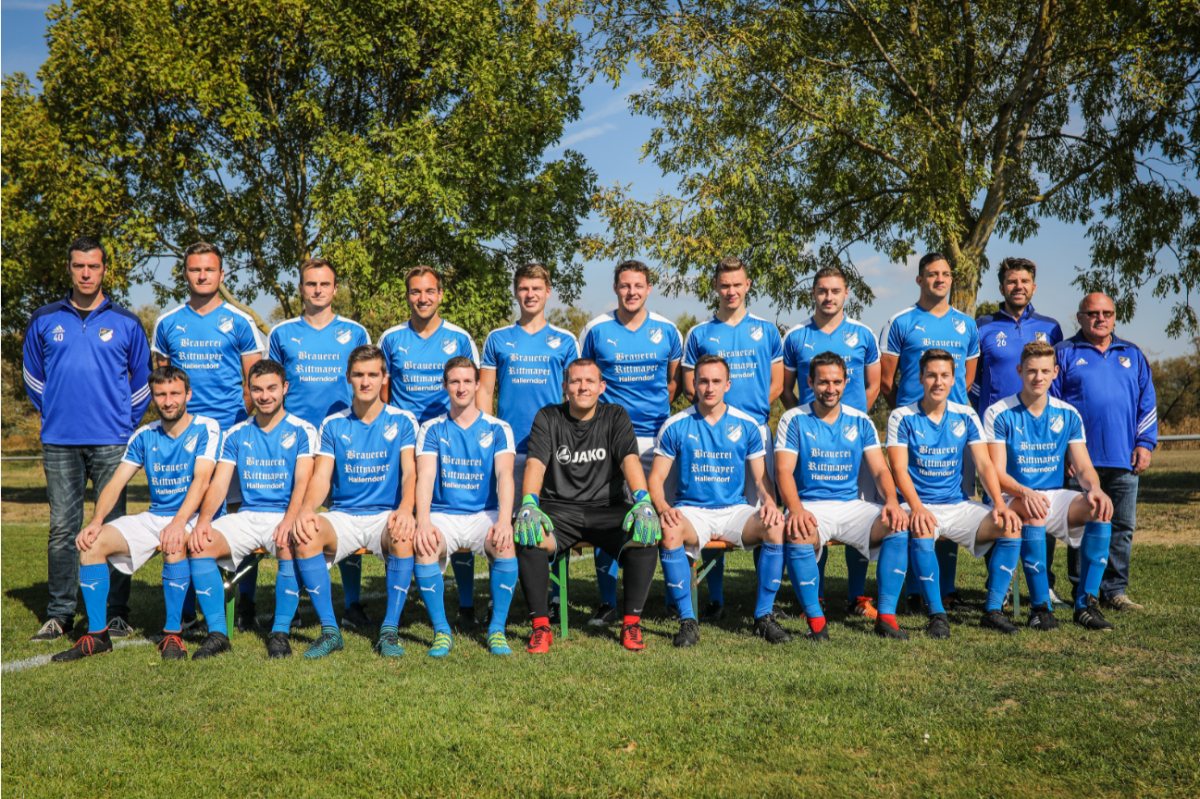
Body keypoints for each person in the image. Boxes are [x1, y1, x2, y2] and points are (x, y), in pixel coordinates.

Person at [24, 236, 151, 642]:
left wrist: (124, 423)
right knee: (63, 527)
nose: (85, 273)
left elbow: (143, 381)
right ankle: (60, 613)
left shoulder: (126, 322)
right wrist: (54, 412)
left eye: (93, 266)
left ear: (104, 270)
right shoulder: (45, 319)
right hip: (59, 441)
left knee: (114, 526)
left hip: (112, 442)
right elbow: (33, 376)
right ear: (69, 268)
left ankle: (116, 613)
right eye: (78, 265)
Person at [51, 366, 220, 662]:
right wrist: (95, 522)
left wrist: (178, 523)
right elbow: (116, 482)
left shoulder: (207, 427)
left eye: (175, 393)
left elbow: (202, 480)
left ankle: (173, 634)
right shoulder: (144, 435)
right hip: (156, 516)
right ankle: (98, 636)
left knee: (173, 542)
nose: (168, 401)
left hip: (192, 516)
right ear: (153, 397)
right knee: (92, 544)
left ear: (188, 395)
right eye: (161, 394)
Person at [512, 358, 663, 653]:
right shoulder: (547, 417)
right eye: (576, 381)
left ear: (601, 387)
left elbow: (630, 460)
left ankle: (631, 624)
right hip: (559, 510)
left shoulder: (615, 415)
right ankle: (541, 627)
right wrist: (529, 501)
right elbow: (535, 465)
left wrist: (643, 499)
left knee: (645, 534)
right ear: (565, 386)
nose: (583, 387)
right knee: (529, 536)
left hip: (608, 509)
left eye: (590, 381)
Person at [152, 241, 266, 630]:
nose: (202, 276)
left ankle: (244, 602)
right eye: (195, 269)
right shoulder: (168, 323)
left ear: (222, 274)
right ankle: (186, 609)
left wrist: (236, 426)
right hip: (186, 439)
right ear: (185, 273)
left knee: (238, 517)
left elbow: (254, 382)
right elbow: (163, 381)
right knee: (183, 516)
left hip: (230, 438)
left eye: (210, 269)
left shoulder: (240, 322)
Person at [290, 345, 420, 659]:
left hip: (385, 515)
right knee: (305, 536)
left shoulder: (403, 421)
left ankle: (389, 630)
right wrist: (306, 509)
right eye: (359, 374)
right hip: (344, 514)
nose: (365, 381)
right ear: (348, 377)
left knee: (404, 536)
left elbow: (410, 473)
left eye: (373, 374)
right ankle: (330, 631)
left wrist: (406, 509)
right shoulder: (333, 423)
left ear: (384, 378)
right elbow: (321, 477)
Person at [186, 359, 319, 659]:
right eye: (257, 389)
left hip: (284, 514)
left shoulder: (303, 430)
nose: (265, 395)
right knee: (200, 544)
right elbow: (219, 484)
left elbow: (303, 481)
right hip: (247, 515)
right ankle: (218, 634)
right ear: (249, 390)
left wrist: (289, 520)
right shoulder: (236, 433)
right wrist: (204, 520)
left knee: (290, 544)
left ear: (285, 388)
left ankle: (280, 633)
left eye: (272, 388)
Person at [652, 355, 788, 647]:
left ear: (728, 384)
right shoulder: (675, 425)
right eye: (703, 381)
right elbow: (656, 479)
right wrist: (663, 508)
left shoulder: (747, 425)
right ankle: (688, 621)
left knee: (775, 526)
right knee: (669, 529)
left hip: (734, 510)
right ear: (693, 383)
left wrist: (769, 503)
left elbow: (761, 480)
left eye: (716, 381)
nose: (709, 387)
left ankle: (763, 617)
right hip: (692, 511)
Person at [885, 349, 1022, 638]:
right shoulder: (902, 416)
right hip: (917, 504)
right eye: (931, 375)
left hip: (957, 504)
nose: (938, 382)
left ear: (953, 379)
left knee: (1009, 526)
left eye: (944, 375)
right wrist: (917, 507)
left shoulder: (966, 414)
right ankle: (937, 615)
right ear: (920, 377)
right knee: (922, 529)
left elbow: (984, 464)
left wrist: (999, 503)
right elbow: (898, 468)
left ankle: (993, 611)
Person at [775, 352, 911, 641]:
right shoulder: (793, 419)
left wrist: (891, 501)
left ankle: (886, 618)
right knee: (798, 531)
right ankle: (816, 622)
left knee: (898, 523)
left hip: (850, 504)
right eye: (823, 382)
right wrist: (795, 509)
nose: (831, 388)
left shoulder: (861, 421)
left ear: (846, 382)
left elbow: (880, 469)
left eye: (837, 382)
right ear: (809, 382)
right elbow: (783, 470)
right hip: (809, 505)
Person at [268, 258, 374, 630]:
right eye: (311, 284)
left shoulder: (355, 332)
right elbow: (272, 385)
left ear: (335, 289)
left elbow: (369, 382)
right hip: (297, 443)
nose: (317, 290)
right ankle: (294, 602)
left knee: (346, 515)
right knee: (297, 518)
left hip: (344, 438)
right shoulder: (282, 333)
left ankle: (353, 603)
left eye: (324, 284)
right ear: (301, 289)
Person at [982, 341, 1117, 632]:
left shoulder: (1068, 414)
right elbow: (997, 473)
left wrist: (1095, 488)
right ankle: (1040, 608)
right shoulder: (999, 412)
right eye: (1031, 371)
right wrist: (1024, 492)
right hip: (1012, 495)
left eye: (1045, 371)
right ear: (1019, 370)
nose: (1038, 377)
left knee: (1099, 508)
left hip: (1052, 495)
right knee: (1035, 511)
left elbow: (1083, 467)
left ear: (1055, 372)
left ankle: (1086, 604)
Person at [679, 256, 784, 622]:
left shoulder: (767, 330)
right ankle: (716, 597)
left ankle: (765, 602)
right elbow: (688, 385)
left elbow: (777, 384)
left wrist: (744, 421)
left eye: (737, 284)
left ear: (748, 285)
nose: (731, 291)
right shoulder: (699, 333)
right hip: (710, 434)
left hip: (754, 434)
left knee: (765, 511)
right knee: (712, 508)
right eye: (724, 285)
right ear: (715, 287)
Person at [579, 261, 682, 626]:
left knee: (665, 514)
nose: (631, 292)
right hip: (609, 439)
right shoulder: (596, 329)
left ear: (649, 288)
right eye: (625, 285)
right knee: (609, 517)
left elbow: (674, 382)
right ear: (615, 288)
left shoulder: (668, 330)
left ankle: (674, 601)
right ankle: (608, 602)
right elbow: (585, 378)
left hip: (656, 439)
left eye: (638, 285)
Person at [377, 266, 481, 627]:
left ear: (440, 295)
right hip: (404, 444)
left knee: (458, 513)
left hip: (449, 440)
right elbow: (383, 392)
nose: (423, 298)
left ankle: (465, 604)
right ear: (407, 295)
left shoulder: (460, 338)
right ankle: (396, 601)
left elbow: (473, 388)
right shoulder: (391, 338)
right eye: (415, 291)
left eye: (429, 291)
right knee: (402, 519)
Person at [879, 253, 981, 612]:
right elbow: (886, 381)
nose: (940, 279)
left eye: (946, 274)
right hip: (914, 430)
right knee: (913, 507)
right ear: (920, 279)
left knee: (953, 504)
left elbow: (966, 379)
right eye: (933, 274)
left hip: (954, 433)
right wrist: (909, 410)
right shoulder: (900, 321)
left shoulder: (967, 325)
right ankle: (912, 590)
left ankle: (946, 590)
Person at [781, 264, 882, 621]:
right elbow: (786, 389)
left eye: (835, 291)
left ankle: (858, 595)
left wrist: (853, 421)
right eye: (822, 290)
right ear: (813, 293)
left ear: (846, 294)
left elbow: (873, 385)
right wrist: (809, 422)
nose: (828, 297)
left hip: (855, 440)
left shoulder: (863, 334)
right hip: (812, 439)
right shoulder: (796, 336)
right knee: (812, 513)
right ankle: (818, 597)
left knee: (861, 511)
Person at [1048, 293, 1157, 611]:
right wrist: (1064, 452)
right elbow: (1051, 406)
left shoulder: (1132, 354)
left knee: (1121, 526)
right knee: (1080, 527)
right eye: (1093, 313)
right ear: (1079, 317)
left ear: (1114, 316)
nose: (1101, 318)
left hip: (1124, 459)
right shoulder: (1064, 353)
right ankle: (1084, 590)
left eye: (1107, 313)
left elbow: (1147, 402)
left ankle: (1115, 590)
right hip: (1080, 462)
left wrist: (1145, 443)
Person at [414, 357, 518, 656]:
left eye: (467, 381)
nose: (461, 388)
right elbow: (425, 477)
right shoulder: (431, 428)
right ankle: (442, 631)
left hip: (484, 514)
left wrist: (504, 521)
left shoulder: (498, 428)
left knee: (505, 546)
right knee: (425, 548)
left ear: (477, 385)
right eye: (455, 382)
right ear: (445, 385)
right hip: (443, 514)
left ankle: (496, 630)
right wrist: (424, 521)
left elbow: (505, 475)